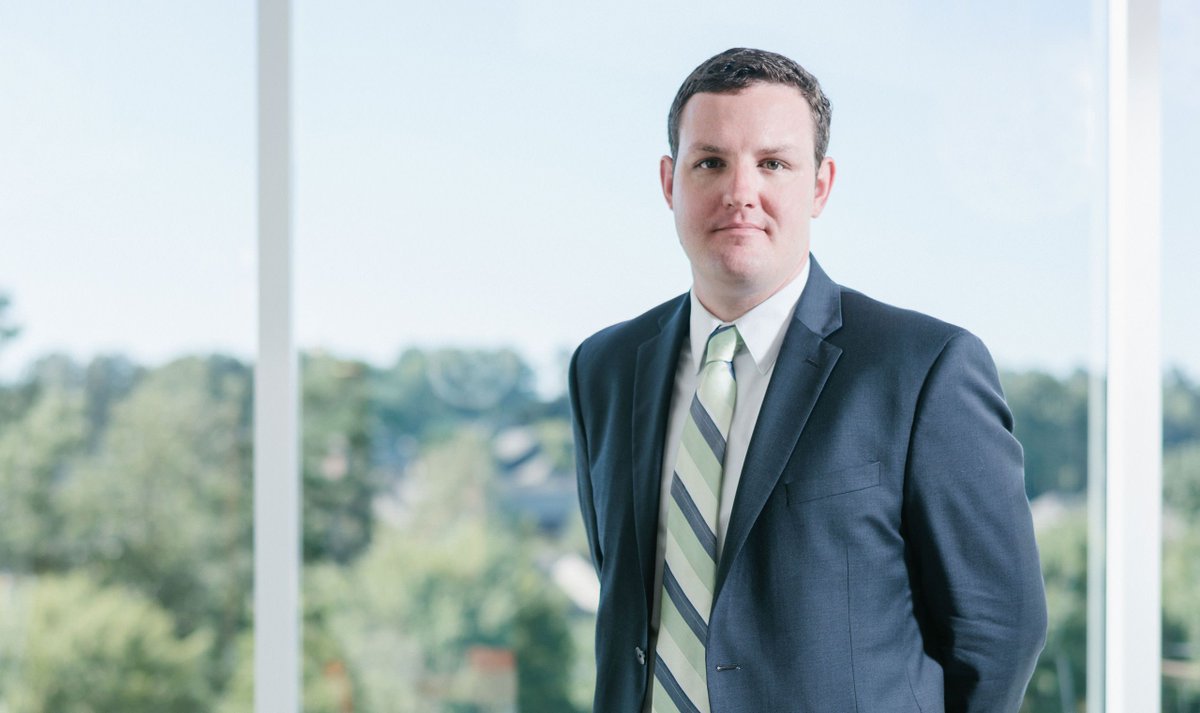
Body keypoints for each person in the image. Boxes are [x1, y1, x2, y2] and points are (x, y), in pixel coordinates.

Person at [568, 47, 1047, 712]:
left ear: (820, 185)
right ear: (669, 181)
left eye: (773, 163)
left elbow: (999, 630)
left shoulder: (923, 369)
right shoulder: (605, 368)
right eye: (710, 162)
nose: (740, 192)